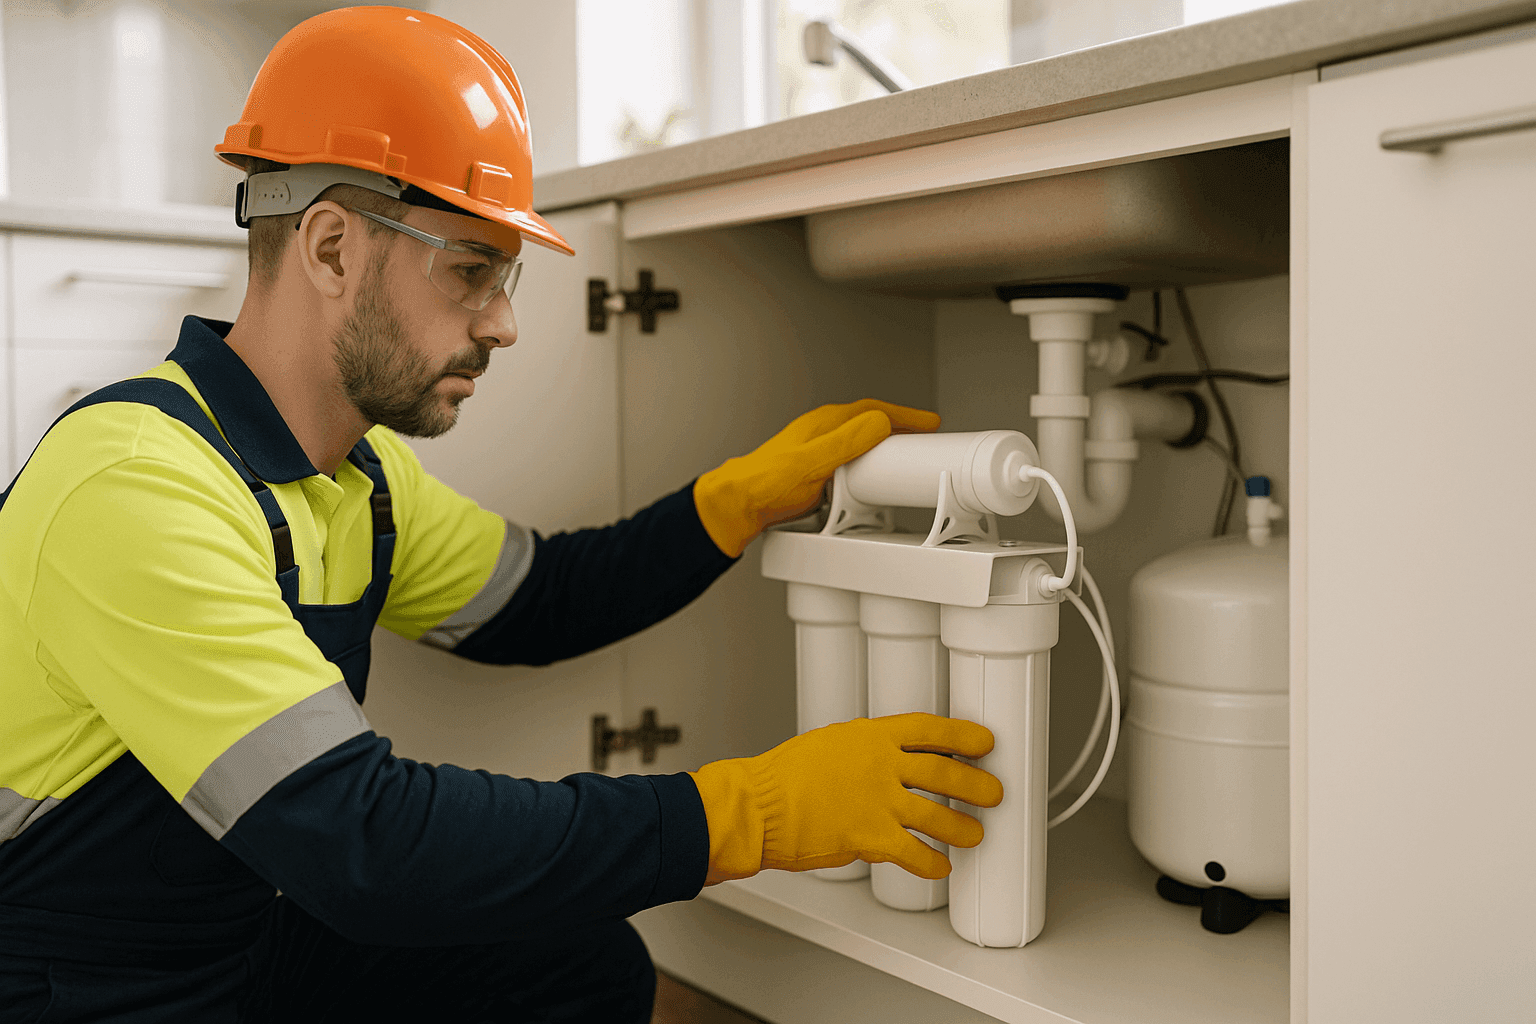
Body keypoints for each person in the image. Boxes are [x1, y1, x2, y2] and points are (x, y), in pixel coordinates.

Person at [0, 8, 1002, 1021]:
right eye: (471, 271)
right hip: (86, 991)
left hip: (241, 942)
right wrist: (750, 814)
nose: (506, 322)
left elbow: (541, 599)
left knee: (578, 960)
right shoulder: (133, 485)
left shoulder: (353, 476)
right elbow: (364, 841)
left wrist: (732, 502)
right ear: (334, 248)